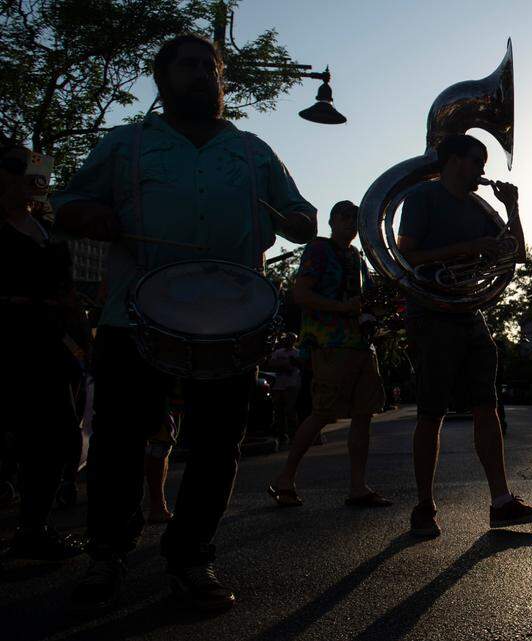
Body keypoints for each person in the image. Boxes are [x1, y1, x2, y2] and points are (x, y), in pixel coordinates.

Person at [52, 34, 318, 611]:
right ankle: (107, 554)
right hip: (133, 316)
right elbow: (65, 204)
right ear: (162, 78)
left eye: (211, 67)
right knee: (119, 441)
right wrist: (91, 215)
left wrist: (296, 221)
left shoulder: (253, 151)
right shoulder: (125, 145)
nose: (203, 74)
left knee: (218, 445)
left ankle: (191, 557)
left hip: (230, 322)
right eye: (189, 66)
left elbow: (301, 213)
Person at [396, 134, 532, 538]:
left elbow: (516, 252)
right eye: (477, 159)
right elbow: (405, 254)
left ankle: (501, 502)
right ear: (453, 160)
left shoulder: (480, 207)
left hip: (468, 312)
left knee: (488, 407)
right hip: (430, 313)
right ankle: (424, 506)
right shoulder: (422, 198)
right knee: (432, 413)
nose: (484, 169)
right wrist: (466, 248)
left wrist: (512, 208)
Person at [268, 201, 391, 509]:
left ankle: (358, 487)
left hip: (361, 344)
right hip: (329, 344)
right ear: (333, 220)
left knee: (364, 414)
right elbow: (301, 295)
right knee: (322, 413)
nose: (351, 223)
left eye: (356, 218)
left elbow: (367, 298)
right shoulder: (318, 250)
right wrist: (343, 308)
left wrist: (380, 310)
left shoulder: (356, 256)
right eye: (346, 217)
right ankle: (284, 479)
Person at [0, 142, 86, 561]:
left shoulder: (47, 233)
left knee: (58, 436)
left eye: (36, 169)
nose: (32, 177)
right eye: (18, 168)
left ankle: (33, 527)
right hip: (7, 341)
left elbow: (67, 295)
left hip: (44, 346)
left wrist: (86, 342)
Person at [267, 332, 303, 443]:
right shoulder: (278, 352)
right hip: (279, 386)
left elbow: (298, 365)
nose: (288, 341)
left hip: (292, 384)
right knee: (278, 412)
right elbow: (272, 363)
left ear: (294, 341)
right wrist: (285, 364)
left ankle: (294, 435)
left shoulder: (298, 353)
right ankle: (282, 435)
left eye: (291, 339)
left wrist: (282, 364)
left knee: (290, 410)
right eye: (287, 339)